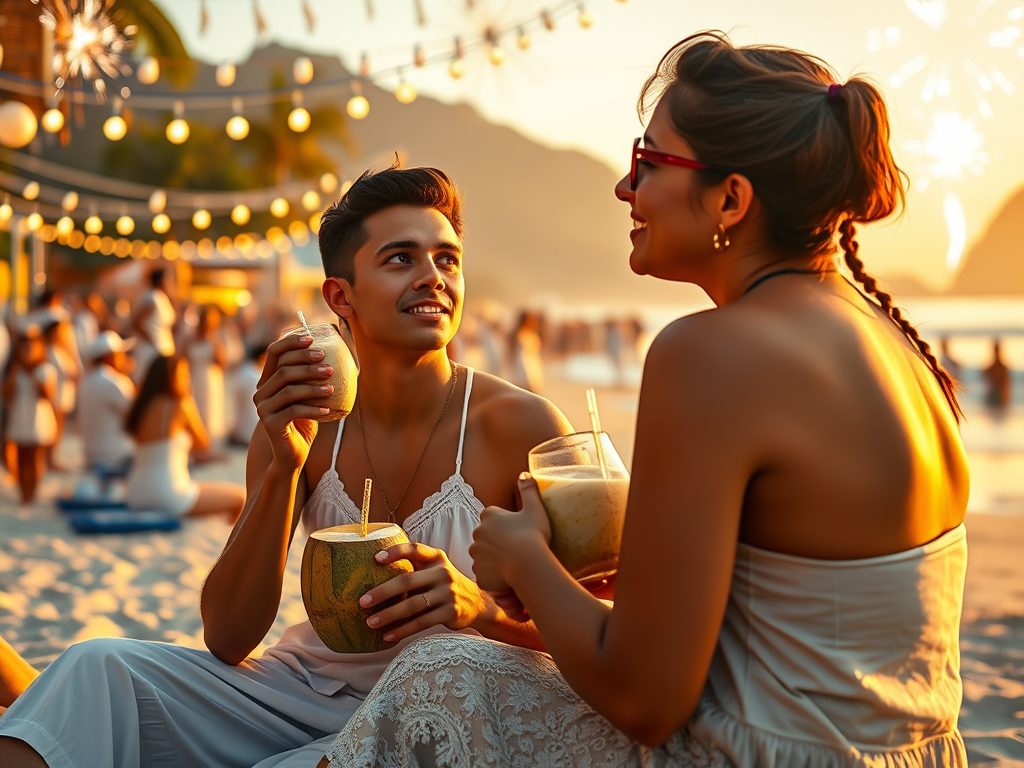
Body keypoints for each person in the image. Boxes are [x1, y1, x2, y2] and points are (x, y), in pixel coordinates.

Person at [323, 33, 970, 768]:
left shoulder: (711, 354)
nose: (624, 188)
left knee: (430, 676)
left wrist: (526, 558)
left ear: (730, 198)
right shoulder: (895, 341)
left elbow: (645, 700)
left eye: (647, 162)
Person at [0, 166, 574, 768]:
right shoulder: (307, 423)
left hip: (438, 711)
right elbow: (226, 636)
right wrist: (283, 468)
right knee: (95, 668)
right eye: (401, 258)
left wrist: (480, 608)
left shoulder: (524, 428)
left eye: (448, 259)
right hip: (297, 693)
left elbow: (613, 635)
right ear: (339, 297)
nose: (433, 276)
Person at [121, 355, 245, 522]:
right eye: (185, 375)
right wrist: (189, 400)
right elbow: (203, 443)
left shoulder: (140, 405)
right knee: (240, 497)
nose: (188, 380)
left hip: (135, 494)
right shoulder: (180, 404)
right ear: (174, 377)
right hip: (168, 495)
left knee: (205, 488)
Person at [2, 325, 58, 504]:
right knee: (20, 458)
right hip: (20, 417)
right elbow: (7, 394)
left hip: (38, 419)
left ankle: (32, 493)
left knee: (34, 459)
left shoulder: (45, 369)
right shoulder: (15, 371)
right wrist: (15, 372)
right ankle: (23, 493)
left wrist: (33, 374)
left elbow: (48, 395)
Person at [77, 330, 136, 474]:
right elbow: (138, 415)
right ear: (110, 358)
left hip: (91, 456)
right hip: (116, 458)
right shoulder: (116, 381)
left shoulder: (85, 382)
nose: (125, 358)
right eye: (121, 354)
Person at [185, 304, 229, 456]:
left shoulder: (216, 339)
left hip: (211, 379)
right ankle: (197, 445)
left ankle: (209, 445)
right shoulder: (190, 338)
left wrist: (216, 346)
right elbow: (183, 358)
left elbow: (223, 364)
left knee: (210, 410)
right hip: (195, 377)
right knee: (196, 408)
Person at [130, 267, 177, 386]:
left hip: (163, 349)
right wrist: (151, 341)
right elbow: (136, 322)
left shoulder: (162, 298)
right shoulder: (152, 298)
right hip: (153, 351)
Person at [228, 342, 268, 447]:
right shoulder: (255, 377)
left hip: (239, 428)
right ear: (265, 357)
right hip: (252, 431)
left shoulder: (243, 371)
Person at [982, 338, 1011, 411]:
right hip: (992, 396)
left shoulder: (1003, 368)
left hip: (999, 397)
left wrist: (1005, 398)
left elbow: (1006, 384)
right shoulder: (990, 368)